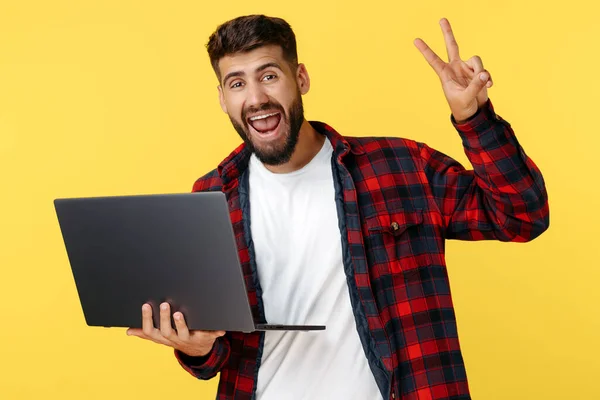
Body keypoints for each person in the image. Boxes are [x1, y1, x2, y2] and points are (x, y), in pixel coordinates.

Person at [126, 14, 549, 400]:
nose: (256, 98)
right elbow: (216, 354)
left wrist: (473, 117)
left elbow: (522, 216)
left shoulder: (401, 166)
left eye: (269, 75)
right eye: (237, 83)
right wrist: (196, 348)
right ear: (222, 98)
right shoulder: (211, 198)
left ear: (301, 77)